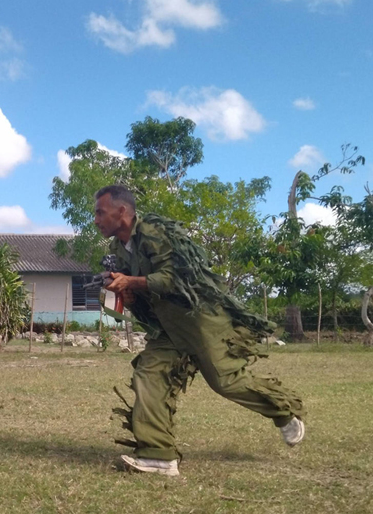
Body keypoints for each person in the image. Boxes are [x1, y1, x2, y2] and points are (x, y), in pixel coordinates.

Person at [93, 185, 305, 477]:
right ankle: (158, 456)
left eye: (100, 212)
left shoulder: (155, 232)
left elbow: (174, 279)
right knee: (149, 375)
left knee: (226, 382)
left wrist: (130, 281)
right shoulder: (116, 250)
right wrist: (123, 293)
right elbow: (141, 291)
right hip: (167, 328)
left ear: (122, 211)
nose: (96, 220)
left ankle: (283, 412)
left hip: (199, 321)